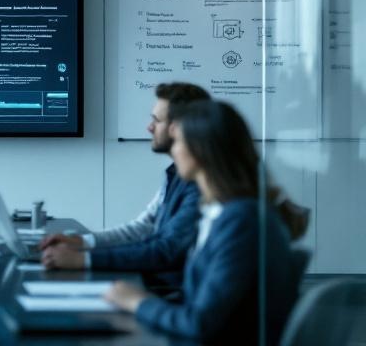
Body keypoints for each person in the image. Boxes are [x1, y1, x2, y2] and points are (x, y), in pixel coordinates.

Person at [104, 100, 304, 344]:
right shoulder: (222, 211)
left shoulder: (241, 220)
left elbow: (199, 323)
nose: (173, 152)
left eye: (177, 142)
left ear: (200, 150)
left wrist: (138, 301)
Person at [41, 82, 209, 290]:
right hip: (156, 285)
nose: (149, 127)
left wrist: (83, 260)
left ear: (180, 128)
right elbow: (144, 229)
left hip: (168, 292)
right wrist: (83, 243)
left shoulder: (201, 182)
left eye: (157, 120)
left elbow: (167, 249)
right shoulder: (175, 173)